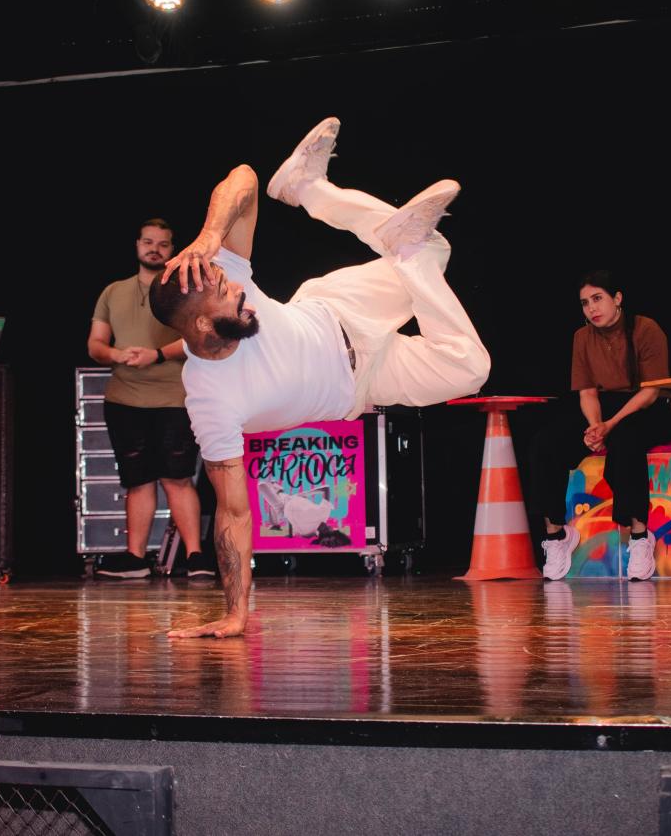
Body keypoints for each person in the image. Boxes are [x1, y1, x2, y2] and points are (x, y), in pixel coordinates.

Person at [149, 117, 490, 637]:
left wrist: (209, 238)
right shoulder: (210, 401)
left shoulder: (228, 275)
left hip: (339, 311)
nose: (238, 289)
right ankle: (325, 196)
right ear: (200, 323)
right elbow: (234, 514)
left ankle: (308, 189)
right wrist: (236, 612)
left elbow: (242, 177)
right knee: (471, 362)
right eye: (225, 293)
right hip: (366, 383)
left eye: (228, 280)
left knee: (430, 251)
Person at [87, 218, 212, 579]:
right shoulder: (113, 291)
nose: (154, 248)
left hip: (174, 398)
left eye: (163, 243)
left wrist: (156, 355)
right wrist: (117, 355)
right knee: (137, 480)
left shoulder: (185, 289)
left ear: (173, 249)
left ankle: (195, 557)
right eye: (148, 241)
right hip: (124, 398)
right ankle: (135, 558)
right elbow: (95, 344)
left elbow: (196, 337)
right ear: (137, 245)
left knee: (177, 477)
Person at [541, 270, 671, 582]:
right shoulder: (582, 337)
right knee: (546, 443)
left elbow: (651, 391)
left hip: (647, 406)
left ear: (617, 299)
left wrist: (610, 425)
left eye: (598, 299)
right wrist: (595, 426)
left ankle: (639, 536)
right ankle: (557, 535)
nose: (592, 308)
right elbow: (587, 393)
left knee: (626, 440)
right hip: (603, 408)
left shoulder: (645, 328)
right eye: (585, 303)